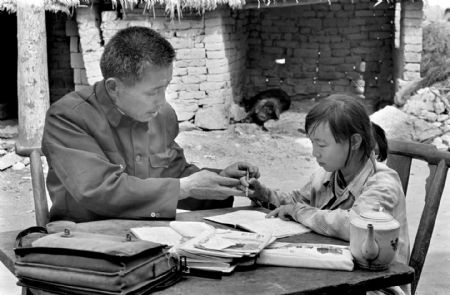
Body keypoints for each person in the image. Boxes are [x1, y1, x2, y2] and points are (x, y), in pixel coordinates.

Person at [42, 26, 259, 223]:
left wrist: (220, 181)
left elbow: (174, 173)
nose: (162, 101)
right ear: (113, 87)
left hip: (148, 231)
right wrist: (185, 188)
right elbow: (97, 191)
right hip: (83, 237)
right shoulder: (68, 118)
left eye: (165, 87)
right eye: (153, 91)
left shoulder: (161, 115)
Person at [245, 94, 409, 295]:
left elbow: (355, 225)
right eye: (313, 143)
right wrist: (263, 194)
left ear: (355, 141)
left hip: (374, 287)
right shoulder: (327, 175)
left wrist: (300, 211)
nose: (315, 153)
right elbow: (296, 202)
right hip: (331, 276)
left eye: (322, 145)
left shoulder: (382, 183)